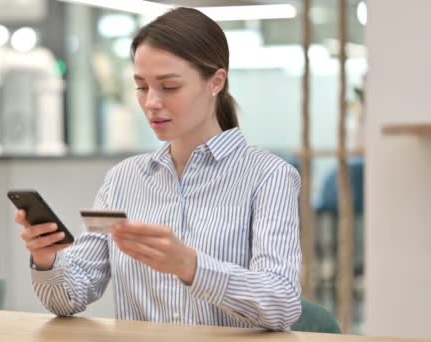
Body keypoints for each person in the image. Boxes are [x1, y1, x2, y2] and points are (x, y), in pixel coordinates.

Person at [15, 7, 302, 330]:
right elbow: (68, 297)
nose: (151, 102)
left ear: (216, 82)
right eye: (141, 87)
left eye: (169, 87)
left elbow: (282, 304)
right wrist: (47, 258)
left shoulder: (270, 176)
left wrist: (191, 266)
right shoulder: (123, 179)